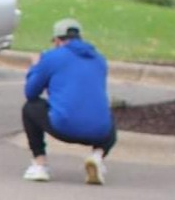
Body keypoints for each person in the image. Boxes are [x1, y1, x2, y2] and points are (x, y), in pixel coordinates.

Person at [22, 18, 117, 185]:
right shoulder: (99, 60)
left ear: (58, 40)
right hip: (99, 132)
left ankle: (40, 164)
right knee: (106, 116)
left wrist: (35, 67)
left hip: (64, 126)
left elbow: (31, 93)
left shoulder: (51, 57)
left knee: (30, 108)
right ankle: (97, 156)